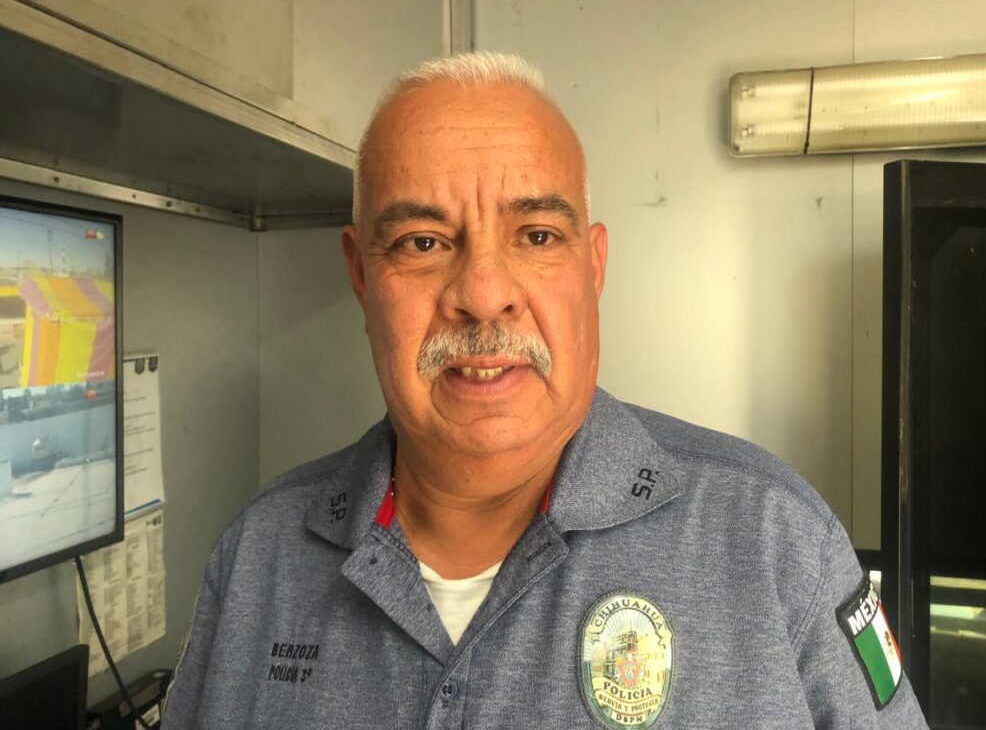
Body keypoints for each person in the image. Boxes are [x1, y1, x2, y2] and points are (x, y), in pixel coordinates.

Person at [162, 52, 928, 729]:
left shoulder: (776, 543)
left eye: (535, 236)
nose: (483, 294)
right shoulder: (258, 558)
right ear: (362, 276)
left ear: (593, 268)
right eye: (423, 242)